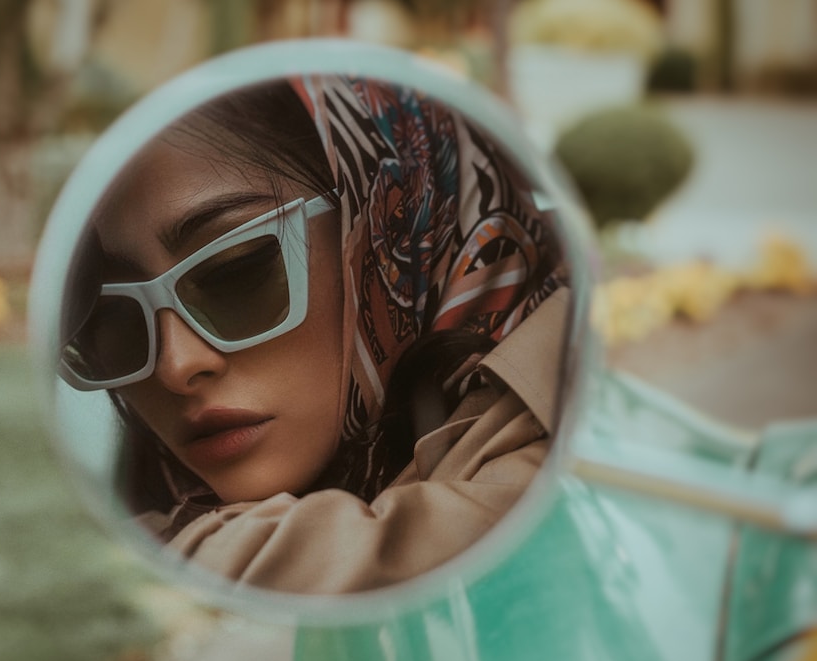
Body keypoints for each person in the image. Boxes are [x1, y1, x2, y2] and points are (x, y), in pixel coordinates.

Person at [59, 75, 571, 594]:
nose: (176, 365)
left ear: (388, 225)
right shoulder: (149, 487)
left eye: (237, 271)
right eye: (112, 321)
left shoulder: (561, 460)